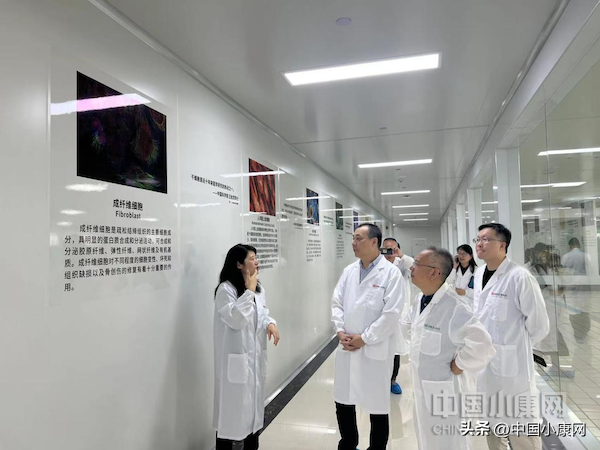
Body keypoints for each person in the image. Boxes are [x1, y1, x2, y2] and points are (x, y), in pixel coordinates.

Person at [401, 247, 495, 450]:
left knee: (450, 444)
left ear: (434, 272)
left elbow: (483, 345)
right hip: (423, 392)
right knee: (426, 440)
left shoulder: (455, 307)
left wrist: (460, 364)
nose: (411, 268)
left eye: (417, 264)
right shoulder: (420, 299)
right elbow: (408, 327)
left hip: (447, 397)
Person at [472, 224, 550, 450]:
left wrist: (516, 347)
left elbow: (539, 325)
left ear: (502, 245)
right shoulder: (480, 274)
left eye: (486, 239)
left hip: (513, 369)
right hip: (486, 367)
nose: (480, 244)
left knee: (521, 430)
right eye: (478, 239)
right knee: (492, 427)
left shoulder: (520, 277)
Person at [332, 223, 404, 450]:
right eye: (353, 238)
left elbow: (391, 314)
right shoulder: (349, 271)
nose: (353, 243)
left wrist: (364, 338)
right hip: (347, 346)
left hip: (374, 348)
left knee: (377, 407)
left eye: (358, 238)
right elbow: (337, 303)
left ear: (374, 242)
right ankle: (348, 444)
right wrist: (340, 330)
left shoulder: (391, 274)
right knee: (343, 401)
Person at [213, 244, 280, 450]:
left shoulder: (258, 289)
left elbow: (262, 314)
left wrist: (270, 323)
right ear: (239, 264)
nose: (256, 262)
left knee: (253, 418)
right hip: (235, 363)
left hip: (254, 361)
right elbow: (236, 319)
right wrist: (249, 291)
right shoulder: (226, 290)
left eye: (256, 257)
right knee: (230, 417)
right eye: (252, 258)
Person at [382, 237, 413, 395]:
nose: (389, 252)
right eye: (386, 248)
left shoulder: (403, 264)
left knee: (395, 350)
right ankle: (379, 380)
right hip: (380, 313)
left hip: (398, 313)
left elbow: (414, 267)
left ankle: (392, 380)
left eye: (392, 248)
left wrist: (401, 255)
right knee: (379, 349)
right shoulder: (377, 265)